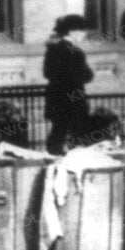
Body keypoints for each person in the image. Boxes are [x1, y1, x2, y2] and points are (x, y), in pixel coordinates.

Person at [43, 15, 93, 155]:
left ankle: (53, 160)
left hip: (56, 99)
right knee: (81, 136)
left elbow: (47, 73)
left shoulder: (52, 49)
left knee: (58, 132)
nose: (84, 34)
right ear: (73, 31)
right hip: (74, 100)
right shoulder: (76, 52)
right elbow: (87, 75)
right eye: (82, 31)